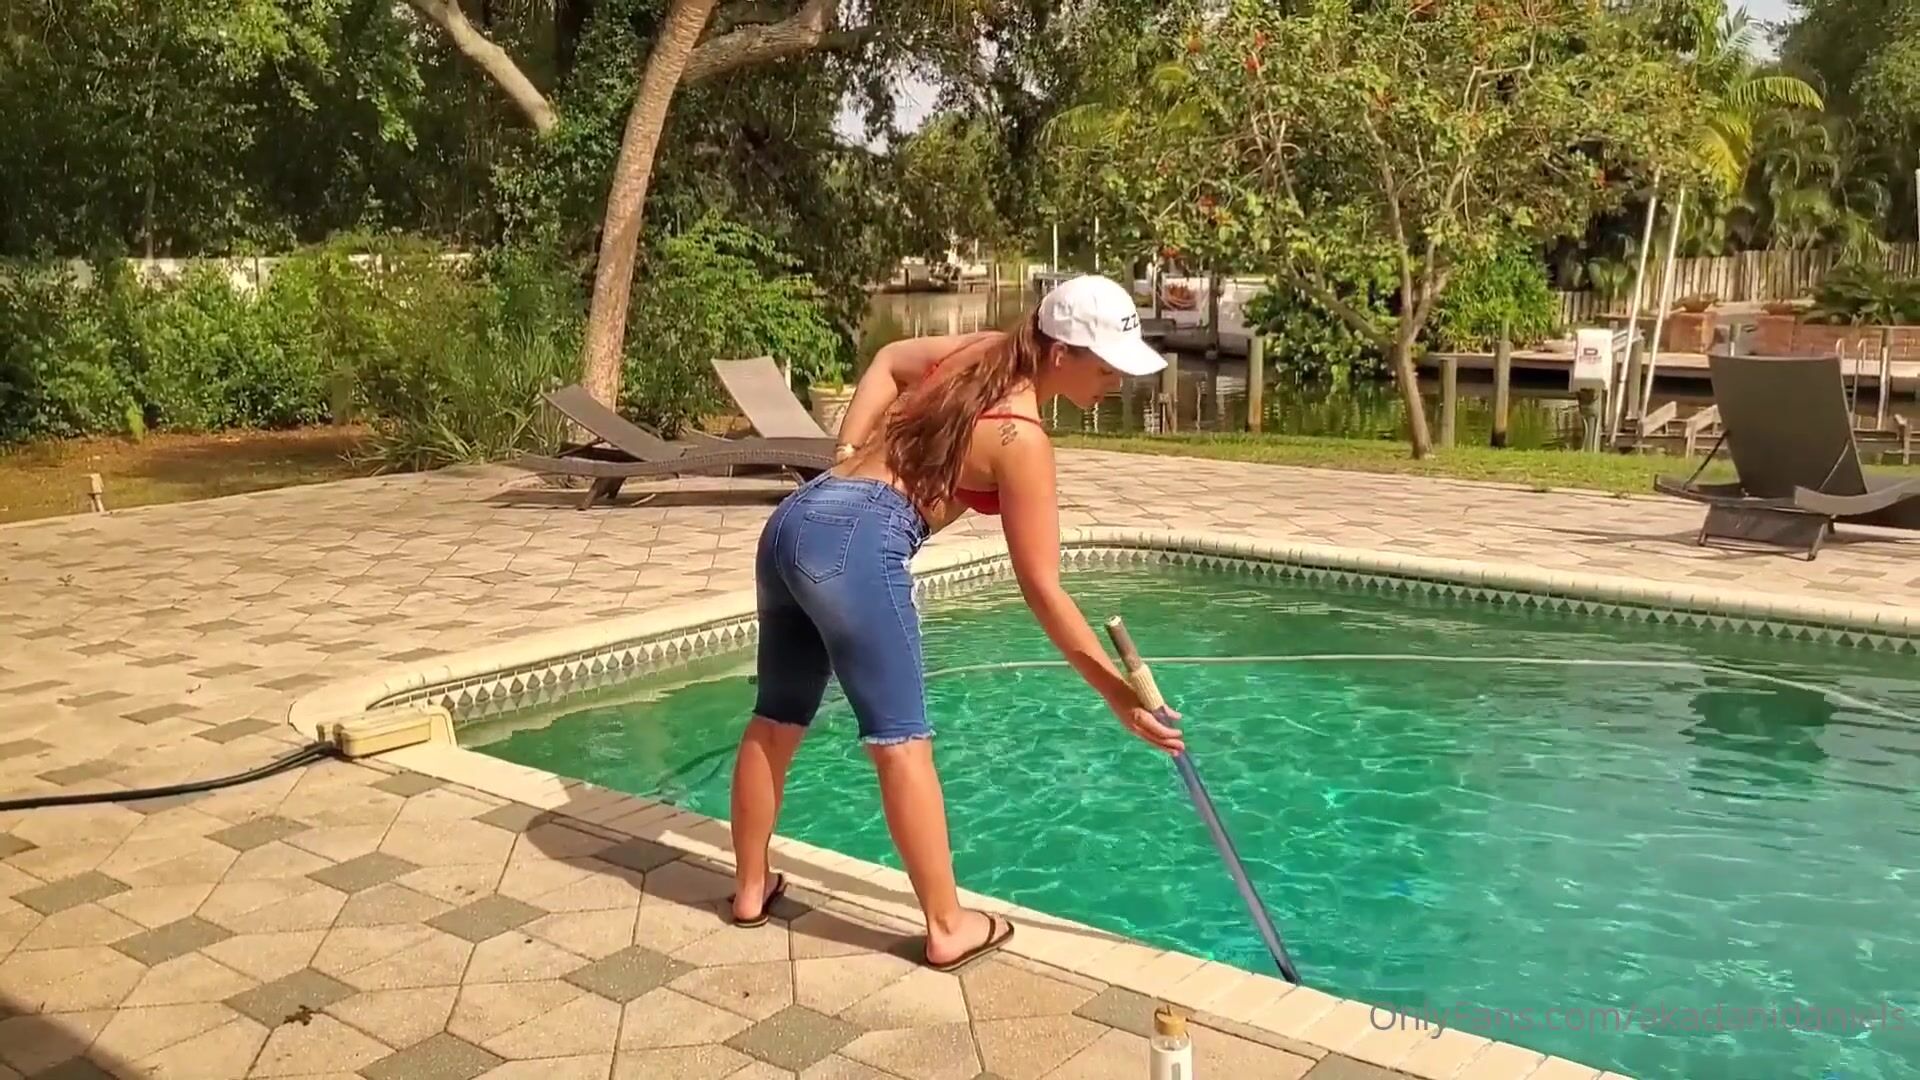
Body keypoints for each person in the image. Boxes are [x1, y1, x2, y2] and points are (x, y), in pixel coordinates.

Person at [726, 274, 1186, 972]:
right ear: (1061, 353)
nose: (1115, 382)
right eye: (1106, 367)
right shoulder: (1022, 438)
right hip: (859, 543)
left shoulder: (982, 351)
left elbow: (887, 362)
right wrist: (1118, 696)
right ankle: (948, 926)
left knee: (777, 717)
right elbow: (1043, 590)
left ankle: (750, 890)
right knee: (901, 741)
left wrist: (845, 454)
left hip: (799, 517)